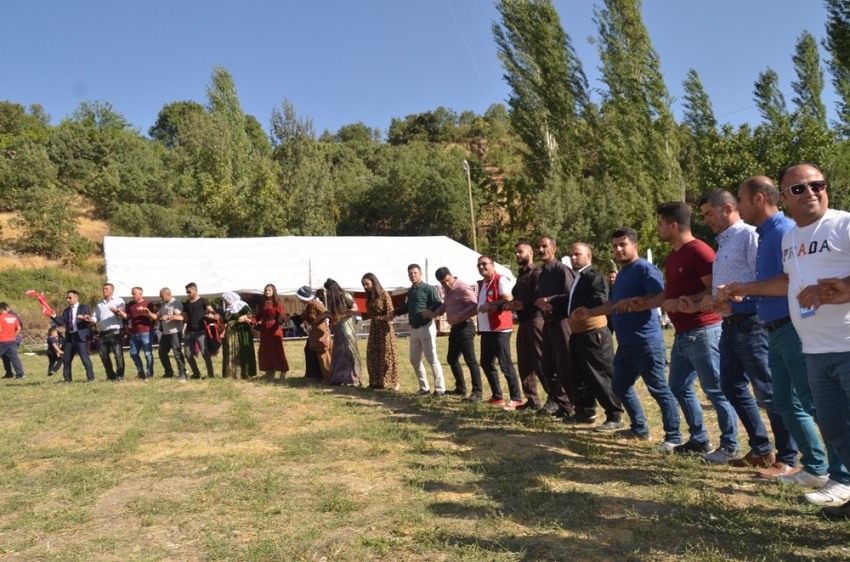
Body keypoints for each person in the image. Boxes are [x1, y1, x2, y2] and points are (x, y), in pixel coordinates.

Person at [724, 164, 850, 519]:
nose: (810, 192)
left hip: (846, 344)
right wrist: (744, 289)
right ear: (785, 198)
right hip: (813, 348)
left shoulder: (843, 224)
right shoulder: (792, 237)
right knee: (836, 428)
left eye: (817, 185)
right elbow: (786, 282)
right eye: (799, 189)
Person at [697, 188, 796, 467]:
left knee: (768, 391)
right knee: (730, 386)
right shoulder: (724, 243)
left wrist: (738, 304)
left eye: (710, 214)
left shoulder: (750, 236)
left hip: (751, 325)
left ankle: (787, 456)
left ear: (728, 209)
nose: (707, 220)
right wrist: (715, 300)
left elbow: (765, 282)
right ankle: (761, 448)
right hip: (729, 326)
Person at [635, 202, 737, 457]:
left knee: (715, 389)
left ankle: (731, 446)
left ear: (673, 225)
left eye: (660, 223)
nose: (657, 228)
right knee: (678, 386)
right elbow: (669, 295)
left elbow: (716, 289)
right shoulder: (674, 255)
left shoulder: (699, 251)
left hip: (704, 330)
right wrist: (643, 303)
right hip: (683, 334)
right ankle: (700, 440)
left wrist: (689, 302)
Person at [572, 228, 682, 445]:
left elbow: (661, 296)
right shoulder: (622, 273)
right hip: (626, 344)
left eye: (623, 245)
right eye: (615, 246)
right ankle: (639, 428)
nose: (618, 249)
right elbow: (614, 305)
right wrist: (590, 312)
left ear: (634, 246)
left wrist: (638, 301)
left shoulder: (644, 269)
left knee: (659, 390)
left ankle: (674, 438)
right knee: (619, 385)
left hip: (646, 342)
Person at [546, 243, 624, 431]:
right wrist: (553, 305)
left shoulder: (594, 276)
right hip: (578, 333)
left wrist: (585, 309)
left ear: (589, 256)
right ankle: (585, 412)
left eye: (577, 255)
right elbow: (571, 301)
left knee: (600, 374)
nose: (573, 258)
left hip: (593, 334)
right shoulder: (578, 278)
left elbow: (600, 298)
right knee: (579, 375)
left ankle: (615, 415)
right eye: (571, 255)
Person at [384, 264, 446, 396]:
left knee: (432, 358)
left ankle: (440, 389)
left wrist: (430, 310)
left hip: (426, 327)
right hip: (414, 329)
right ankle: (424, 388)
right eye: (411, 273)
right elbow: (406, 307)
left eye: (415, 273)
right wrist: (393, 312)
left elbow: (439, 303)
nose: (413, 275)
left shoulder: (428, 288)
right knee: (414, 360)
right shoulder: (411, 291)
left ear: (420, 274)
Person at [533, 236, 576, 417]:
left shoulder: (562, 270)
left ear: (554, 249)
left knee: (566, 365)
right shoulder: (543, 273)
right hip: (548, 323)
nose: (541, 250)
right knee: (547, 365)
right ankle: (563, 403)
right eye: (539, 247)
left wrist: (549, 300)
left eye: (545, 246)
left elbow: (571, 295)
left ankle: (574, 406)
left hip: (562, 322)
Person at [424, 267, 481, 399]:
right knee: (452, 359)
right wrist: (436, 312)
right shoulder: (447, 290)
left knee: (470, 360)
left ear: (451, 275)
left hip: (465, 326)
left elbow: (475, 305)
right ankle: (460, 388)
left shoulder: (462, 287)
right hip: (455, 328)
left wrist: (461, 315)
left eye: (447, 281)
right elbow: (446, 305)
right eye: (443, 283)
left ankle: (477, 392)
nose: (446, 284)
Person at [474, 255, 522, 409]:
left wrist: (491, 304)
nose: (482, 267)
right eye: (479, 265)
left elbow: (508, 299)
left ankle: (516, 398)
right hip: (487, 329)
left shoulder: (501, 280)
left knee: (505, 364)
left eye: (484, 264)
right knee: (486, 363)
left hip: (500, 328)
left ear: (493, 265)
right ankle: (497, 396)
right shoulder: (482, 283)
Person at [507, 240, 546, 410]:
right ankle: (532, 400)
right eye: (516, 252)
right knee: (524, 362)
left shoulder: (536, 273)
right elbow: (516, 295)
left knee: (540, 361)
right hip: (523, 322)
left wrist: (524, 304)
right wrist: (512, 303)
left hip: (535, 320)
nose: (517, 254)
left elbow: (539, 295)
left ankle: (555, 399)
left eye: (520, 251)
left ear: (530, 253)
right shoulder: (521, 274)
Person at [361, 273, 400, 391]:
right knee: (373, 353)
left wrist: (384, 318)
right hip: (374, 328)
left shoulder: (384, 294)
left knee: (387, 354)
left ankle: (395, 382)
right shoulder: (370, 297)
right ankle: (376, 381)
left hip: (384, 328)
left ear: (373, 281)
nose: (366, 287)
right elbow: (368, 314)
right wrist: (353, 312)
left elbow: (390, 311)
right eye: (364, 285)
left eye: (367, 284)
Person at [51, 290, 95, 382]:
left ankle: (90, 378)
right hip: (70, 337)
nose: (68, 300)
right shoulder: (67, 311)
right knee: (66, 359)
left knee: (84, 358)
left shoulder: (84, 308)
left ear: (76, 298)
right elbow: (60, 322)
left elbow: (88, 319)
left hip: (80, 337)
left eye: (70, 298)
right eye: (67, 298)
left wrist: (83, 317)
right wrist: (53, 315)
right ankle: (67, 379)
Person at [324, 279, 361, 386]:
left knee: (349, 351)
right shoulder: (334, 299)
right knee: (339, 353)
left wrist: (346, 312)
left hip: (347, 326)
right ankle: (339, 377)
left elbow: (355, 308)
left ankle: (354, 378)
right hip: (338, 327)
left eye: (329, 290)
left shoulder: (345, 296)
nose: (328, 293)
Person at [85, 283, 126, 381]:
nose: (104, 290)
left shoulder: (118, 300)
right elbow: (96, 317)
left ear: (112, 290)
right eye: (103, 289)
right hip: (103, 332)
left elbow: (120, 314)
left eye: (106, 289)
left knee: (118, 354)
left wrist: (115, 311)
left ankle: (120, 375)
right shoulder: (100, 303)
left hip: (114, 331)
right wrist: (89, 319)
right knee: (103, 355)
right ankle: (110, 375)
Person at [115, 287, 156, 381]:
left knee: (148, 354)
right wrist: (120, 312)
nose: (132, 295)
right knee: (133, 354)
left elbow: (153, 317)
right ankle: (141, 374)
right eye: (132, 293)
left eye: (134, 293)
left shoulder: (148, 303)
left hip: (146, 332)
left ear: (140, 293)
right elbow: (127, 316)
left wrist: (146, 312)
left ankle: (149, 374)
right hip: (134, 333)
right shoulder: (130, 304)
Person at [254, 284, 289, 381]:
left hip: (274, 328)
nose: (267, 292)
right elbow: (258, 316)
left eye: (269, 290)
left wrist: (283, 318)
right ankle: (269, 372)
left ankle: (283, 371)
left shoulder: (277, 303)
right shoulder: (264, 303)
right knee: (265, 351)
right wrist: (250, 320)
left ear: (273, 291)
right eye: (266, 290)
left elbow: (282, 315)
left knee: (277, 350)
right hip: (265, 329)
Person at [297, 286, 332, 382]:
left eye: (300, 298)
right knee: (309, 350)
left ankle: (329, 378)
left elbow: (327, 313)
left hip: (320, 333)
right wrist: (289, 318)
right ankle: (314, 375)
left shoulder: (316, 303)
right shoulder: (309, 305)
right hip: (314, 333)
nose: (299, 300)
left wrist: (314, 322)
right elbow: (302, 317)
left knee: (323, 355)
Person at [183, 283, 217, 379]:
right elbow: (183, 316)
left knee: (205, 353)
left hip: (201, 331)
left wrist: (212, 314)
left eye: (189, 291)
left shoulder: (203, 301)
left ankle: (211, 375)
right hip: (189, 332)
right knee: (188, 354)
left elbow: (212, 311)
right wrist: (171, 317)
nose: (188, 294)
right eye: (187, 292)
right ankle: (196, 373)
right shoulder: (187, 304)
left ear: (195, 290)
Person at [221, 291, 256, 379]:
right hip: (230, 333)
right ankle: (231, 373)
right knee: (230, 351)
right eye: (224, 300)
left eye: (226, 300)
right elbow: (225, 320)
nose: (225, 301)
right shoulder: (228, 309)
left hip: (241, 331)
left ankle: (244, 373)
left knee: (242, 350)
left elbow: (250, 314)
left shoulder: (241, 305)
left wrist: (244, 317)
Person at [156, 288, 187, 382]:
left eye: (162, 296)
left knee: (177, 354)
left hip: (175, 332)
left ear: (168, 294)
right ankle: (168, 372)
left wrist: (169, 317)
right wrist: (147, 313)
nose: (161, 298)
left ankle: (182, 373)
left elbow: (180, 317)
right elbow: (157, 317)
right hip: (165, 333)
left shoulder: (176, 303)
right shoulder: (163, 305)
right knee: (162, 352)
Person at [0, 302, 25, 379]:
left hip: (2, 340)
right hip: (12, 340)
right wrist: (14, 336)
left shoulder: (0, 317)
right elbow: (19, 328)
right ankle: (21, 374)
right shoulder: (13, 317)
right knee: (14, 358)